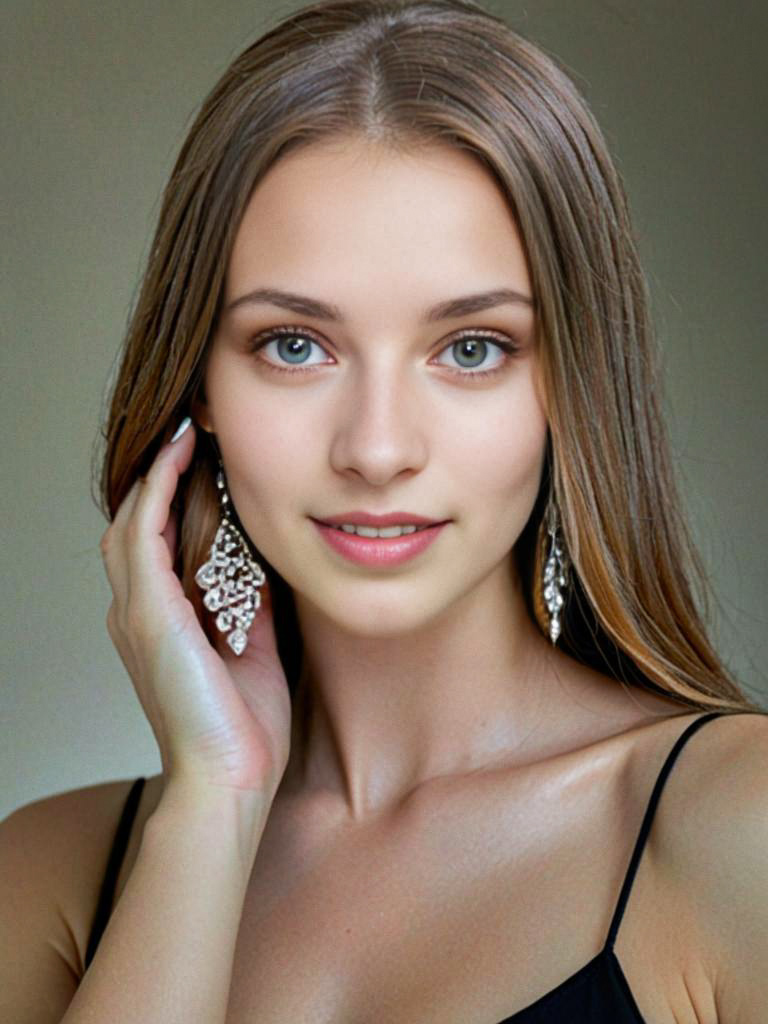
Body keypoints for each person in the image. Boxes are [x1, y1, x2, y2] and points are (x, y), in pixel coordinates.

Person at [2, 0, 767, 1021]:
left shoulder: (736, 825)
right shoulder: (47, 876)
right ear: (199, 392)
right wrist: (213, 804)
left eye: (472, 348)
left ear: (572, 389)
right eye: (293, 344)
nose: (376, 448)